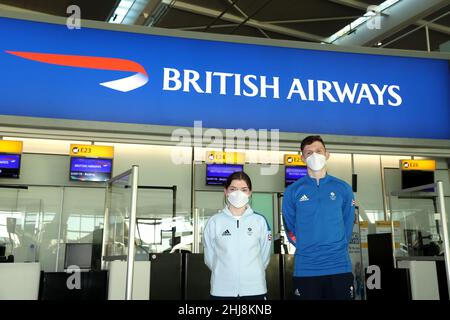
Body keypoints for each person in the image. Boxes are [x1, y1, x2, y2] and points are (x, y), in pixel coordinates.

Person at [282, 135, 356, 300]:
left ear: (327, 154)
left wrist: (337, 245)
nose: (314, 155)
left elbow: (348, 222)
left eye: (318, 151)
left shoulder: (343, 188)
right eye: (308, 153)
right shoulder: (293, 191)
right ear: (302, 157)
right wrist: (306, 245)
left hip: (339, 267)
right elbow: (289, 226)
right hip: (306, 268)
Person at [203, 171, 272, 299]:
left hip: (255, 289)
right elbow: (210, 257)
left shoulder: (259, 221)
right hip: (221, 290)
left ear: (250, 193)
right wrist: (223, 272)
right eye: (233, 189)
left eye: (244, 189)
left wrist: (252, 272)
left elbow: (264, 256)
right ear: (226, 191)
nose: (238, 194)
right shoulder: (215, 222)